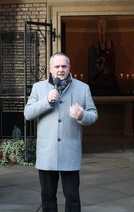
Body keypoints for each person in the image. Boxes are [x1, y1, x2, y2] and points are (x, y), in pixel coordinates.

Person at [24, 52, 98, 212]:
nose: (60, 70)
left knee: (72, 197)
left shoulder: (83, 88)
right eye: (57, 66)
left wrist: (82, 115)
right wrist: (46, 101)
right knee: (47, 197)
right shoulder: (38, 88)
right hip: (47, 153)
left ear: (69, 67)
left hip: (70, 152)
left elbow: (93, 115)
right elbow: (27, 113)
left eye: (64, 66)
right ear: (50, 69)